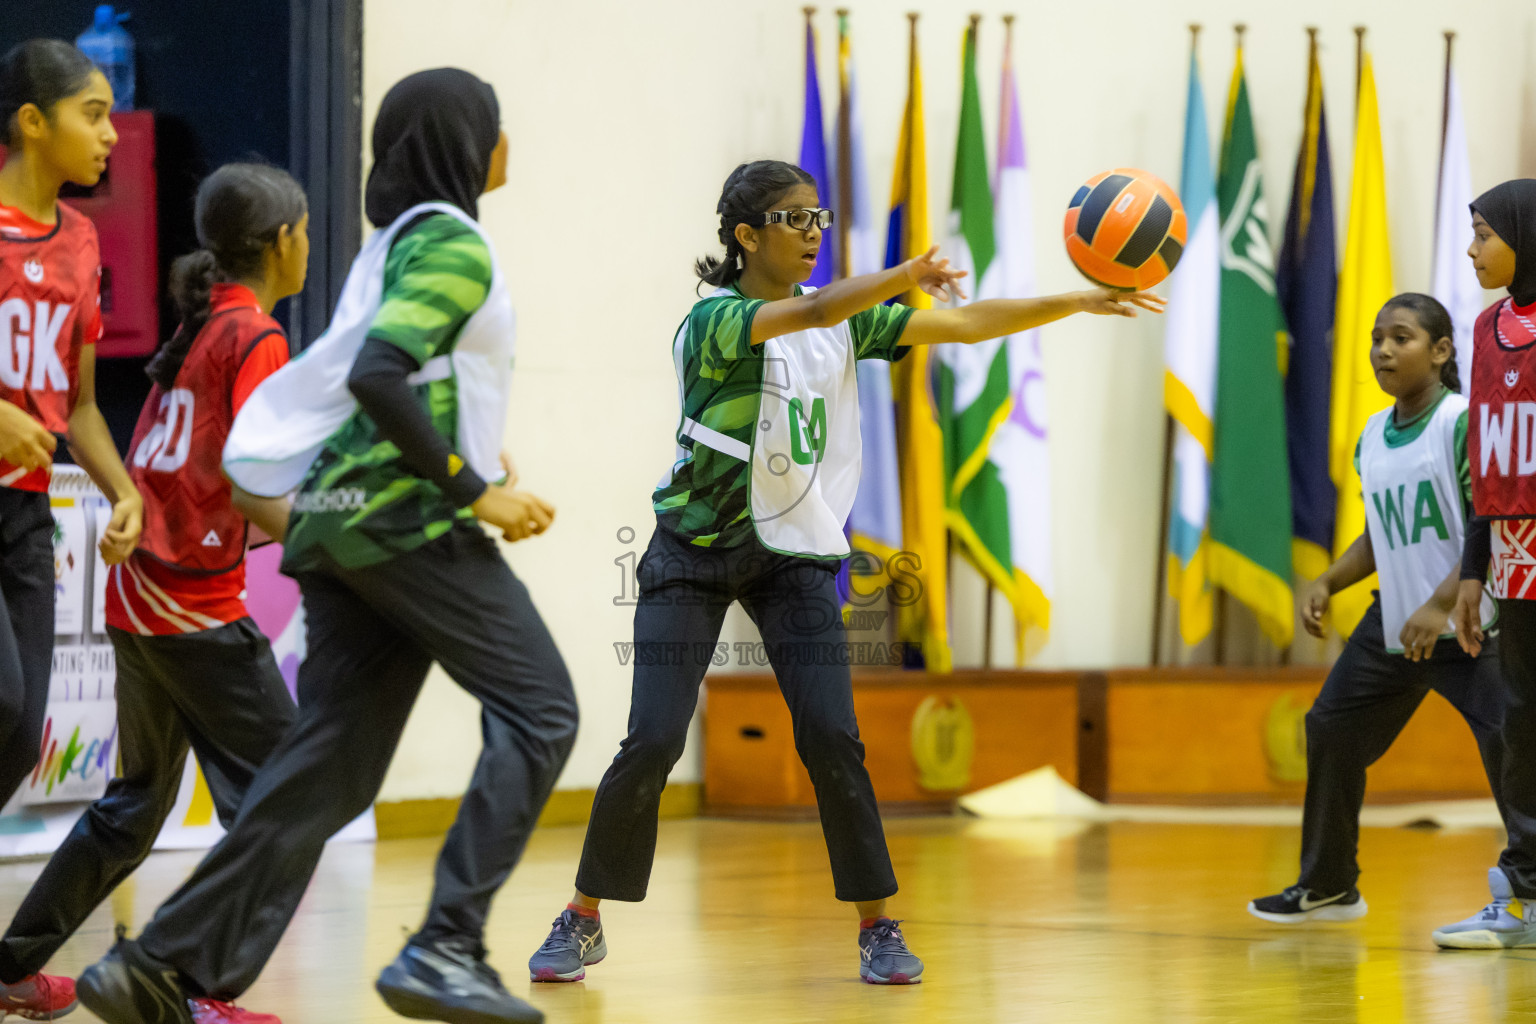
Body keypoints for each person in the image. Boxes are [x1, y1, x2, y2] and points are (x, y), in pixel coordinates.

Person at [527, 159, 1162, 987]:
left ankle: (878, 925)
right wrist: (903, 273)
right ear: (746, 237)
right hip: (690, 553)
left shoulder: (842, 328)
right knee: (651, 740)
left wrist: (1075, 300)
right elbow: (820, 306)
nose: (814, 231)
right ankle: (582, 917)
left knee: (832, 736)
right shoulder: (716, 320)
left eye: (820, 217)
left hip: (791, 552)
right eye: (795, 220)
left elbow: (965, 326)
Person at [76, 69, 577, 1024]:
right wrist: (479, 491)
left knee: (328, 767)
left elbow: (386, 375)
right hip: (405, 523)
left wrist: (469, 440)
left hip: (334, 522)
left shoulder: (387, 246)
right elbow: (383, 375)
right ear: (464, 142)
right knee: (543, 709)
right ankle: (445, 946)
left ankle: (158, 963)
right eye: (495, 125)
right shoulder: (454, 244)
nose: (506, 139)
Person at [0, 162, 308, 1024]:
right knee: (288, 800)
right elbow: (256, 483)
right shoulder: (254, 338)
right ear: (285, 242)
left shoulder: (199, 328)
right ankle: (192, 985)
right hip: (191, 607)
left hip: (133, 598)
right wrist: (338, 546)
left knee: (135, 804)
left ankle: (13, 965)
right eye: (309, 228)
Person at [1246, 293, 1507, 925]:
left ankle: (1527, 890)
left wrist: (1441, 601)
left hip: (1471, 627)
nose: (1383, 350)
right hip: (1394, 627)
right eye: (1376, 338)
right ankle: (1330, 884)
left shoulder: (1465, 421)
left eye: (1402, 338)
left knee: (1516, 752)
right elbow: (1380, 535)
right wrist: (1325, 581)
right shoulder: (1371, 434)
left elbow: (1492, 525)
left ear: (1442, 351)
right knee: (1331, 730)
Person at [0, 40, 141, 812]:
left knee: (22, 736)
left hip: (27, 513)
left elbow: (79, 404)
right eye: (92, 115)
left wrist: (123, 491)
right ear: (31, 121)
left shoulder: (82, 241)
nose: (110, 134)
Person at [1441, 178, 1536, 948]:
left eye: (1483, 233)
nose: (1472, 250)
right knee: (1522, 725)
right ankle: (1526, 894)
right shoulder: (1485, 328)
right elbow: (1485, 461)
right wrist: (1475, 570)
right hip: (1513, 556)